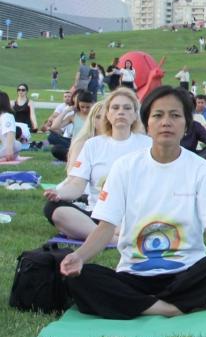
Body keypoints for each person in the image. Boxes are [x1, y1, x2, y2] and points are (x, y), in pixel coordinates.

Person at [59, 85, 206, 320]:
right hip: (133, 275)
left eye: (175, 115)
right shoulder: (124, 168)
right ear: (147, 123)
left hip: (185, 272)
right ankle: (172, 307)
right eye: (158, 115)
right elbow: (105, 227)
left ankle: (138, 305)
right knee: (80, 277)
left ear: (186, 125)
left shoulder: (202, 170)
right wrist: (80, 257)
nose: (166, 122)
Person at [42, 88, 152, 239]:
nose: (121, 112)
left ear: (134, 115)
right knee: (53, 209)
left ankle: (106, 236)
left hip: (136, 214)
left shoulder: (148, 145)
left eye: (127, 108)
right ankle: (111, 238)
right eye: (115, 107)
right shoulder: (93, 145)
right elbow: (77, 185)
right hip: (100, 214)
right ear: (108, 114)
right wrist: (59, 194)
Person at [1, 91, 26, 162]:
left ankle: (6, 157)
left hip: (12, 147)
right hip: (9, 147)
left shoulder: (6, 116)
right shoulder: (2, 117)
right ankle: (4, 158)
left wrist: (9, 150)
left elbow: (10, 133)